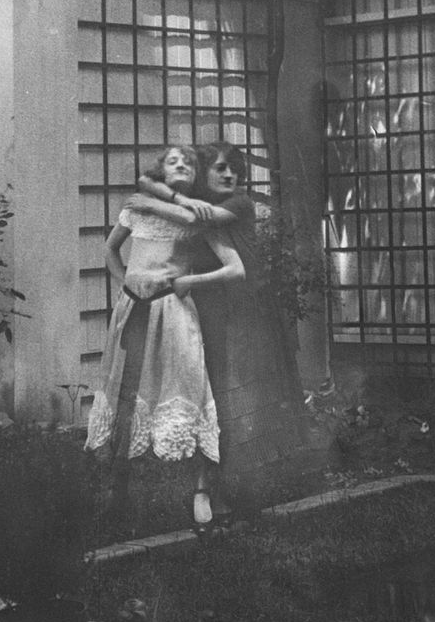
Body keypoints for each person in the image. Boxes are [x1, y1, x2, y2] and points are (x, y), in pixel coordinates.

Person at [136, 141, 326, 520]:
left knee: (240, 398)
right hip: (213, 306)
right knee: (216, 397)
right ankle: (214, 489)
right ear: (204, 174)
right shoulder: (200, 203)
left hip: (246, 309)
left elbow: (186, 218)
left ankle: (233, 490)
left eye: (234, 169)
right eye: (219, 168)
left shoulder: (237, 204)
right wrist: (175, 192)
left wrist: (164, 197)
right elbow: (145, 182)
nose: (229, 175)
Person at [85, 144, 244, 532]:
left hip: (173, 314)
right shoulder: (137, 209)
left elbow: (234, 267)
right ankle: (119, 492)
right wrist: (124, 283)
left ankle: (201, 491)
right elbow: (109, 249)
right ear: (160, 169)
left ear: (195, 174)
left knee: (189, 391)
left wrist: (188, 281)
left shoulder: (195, 218)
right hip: (133, 312)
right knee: (127, 392)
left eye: (187, 163)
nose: (179, 166)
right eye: (171, 161)